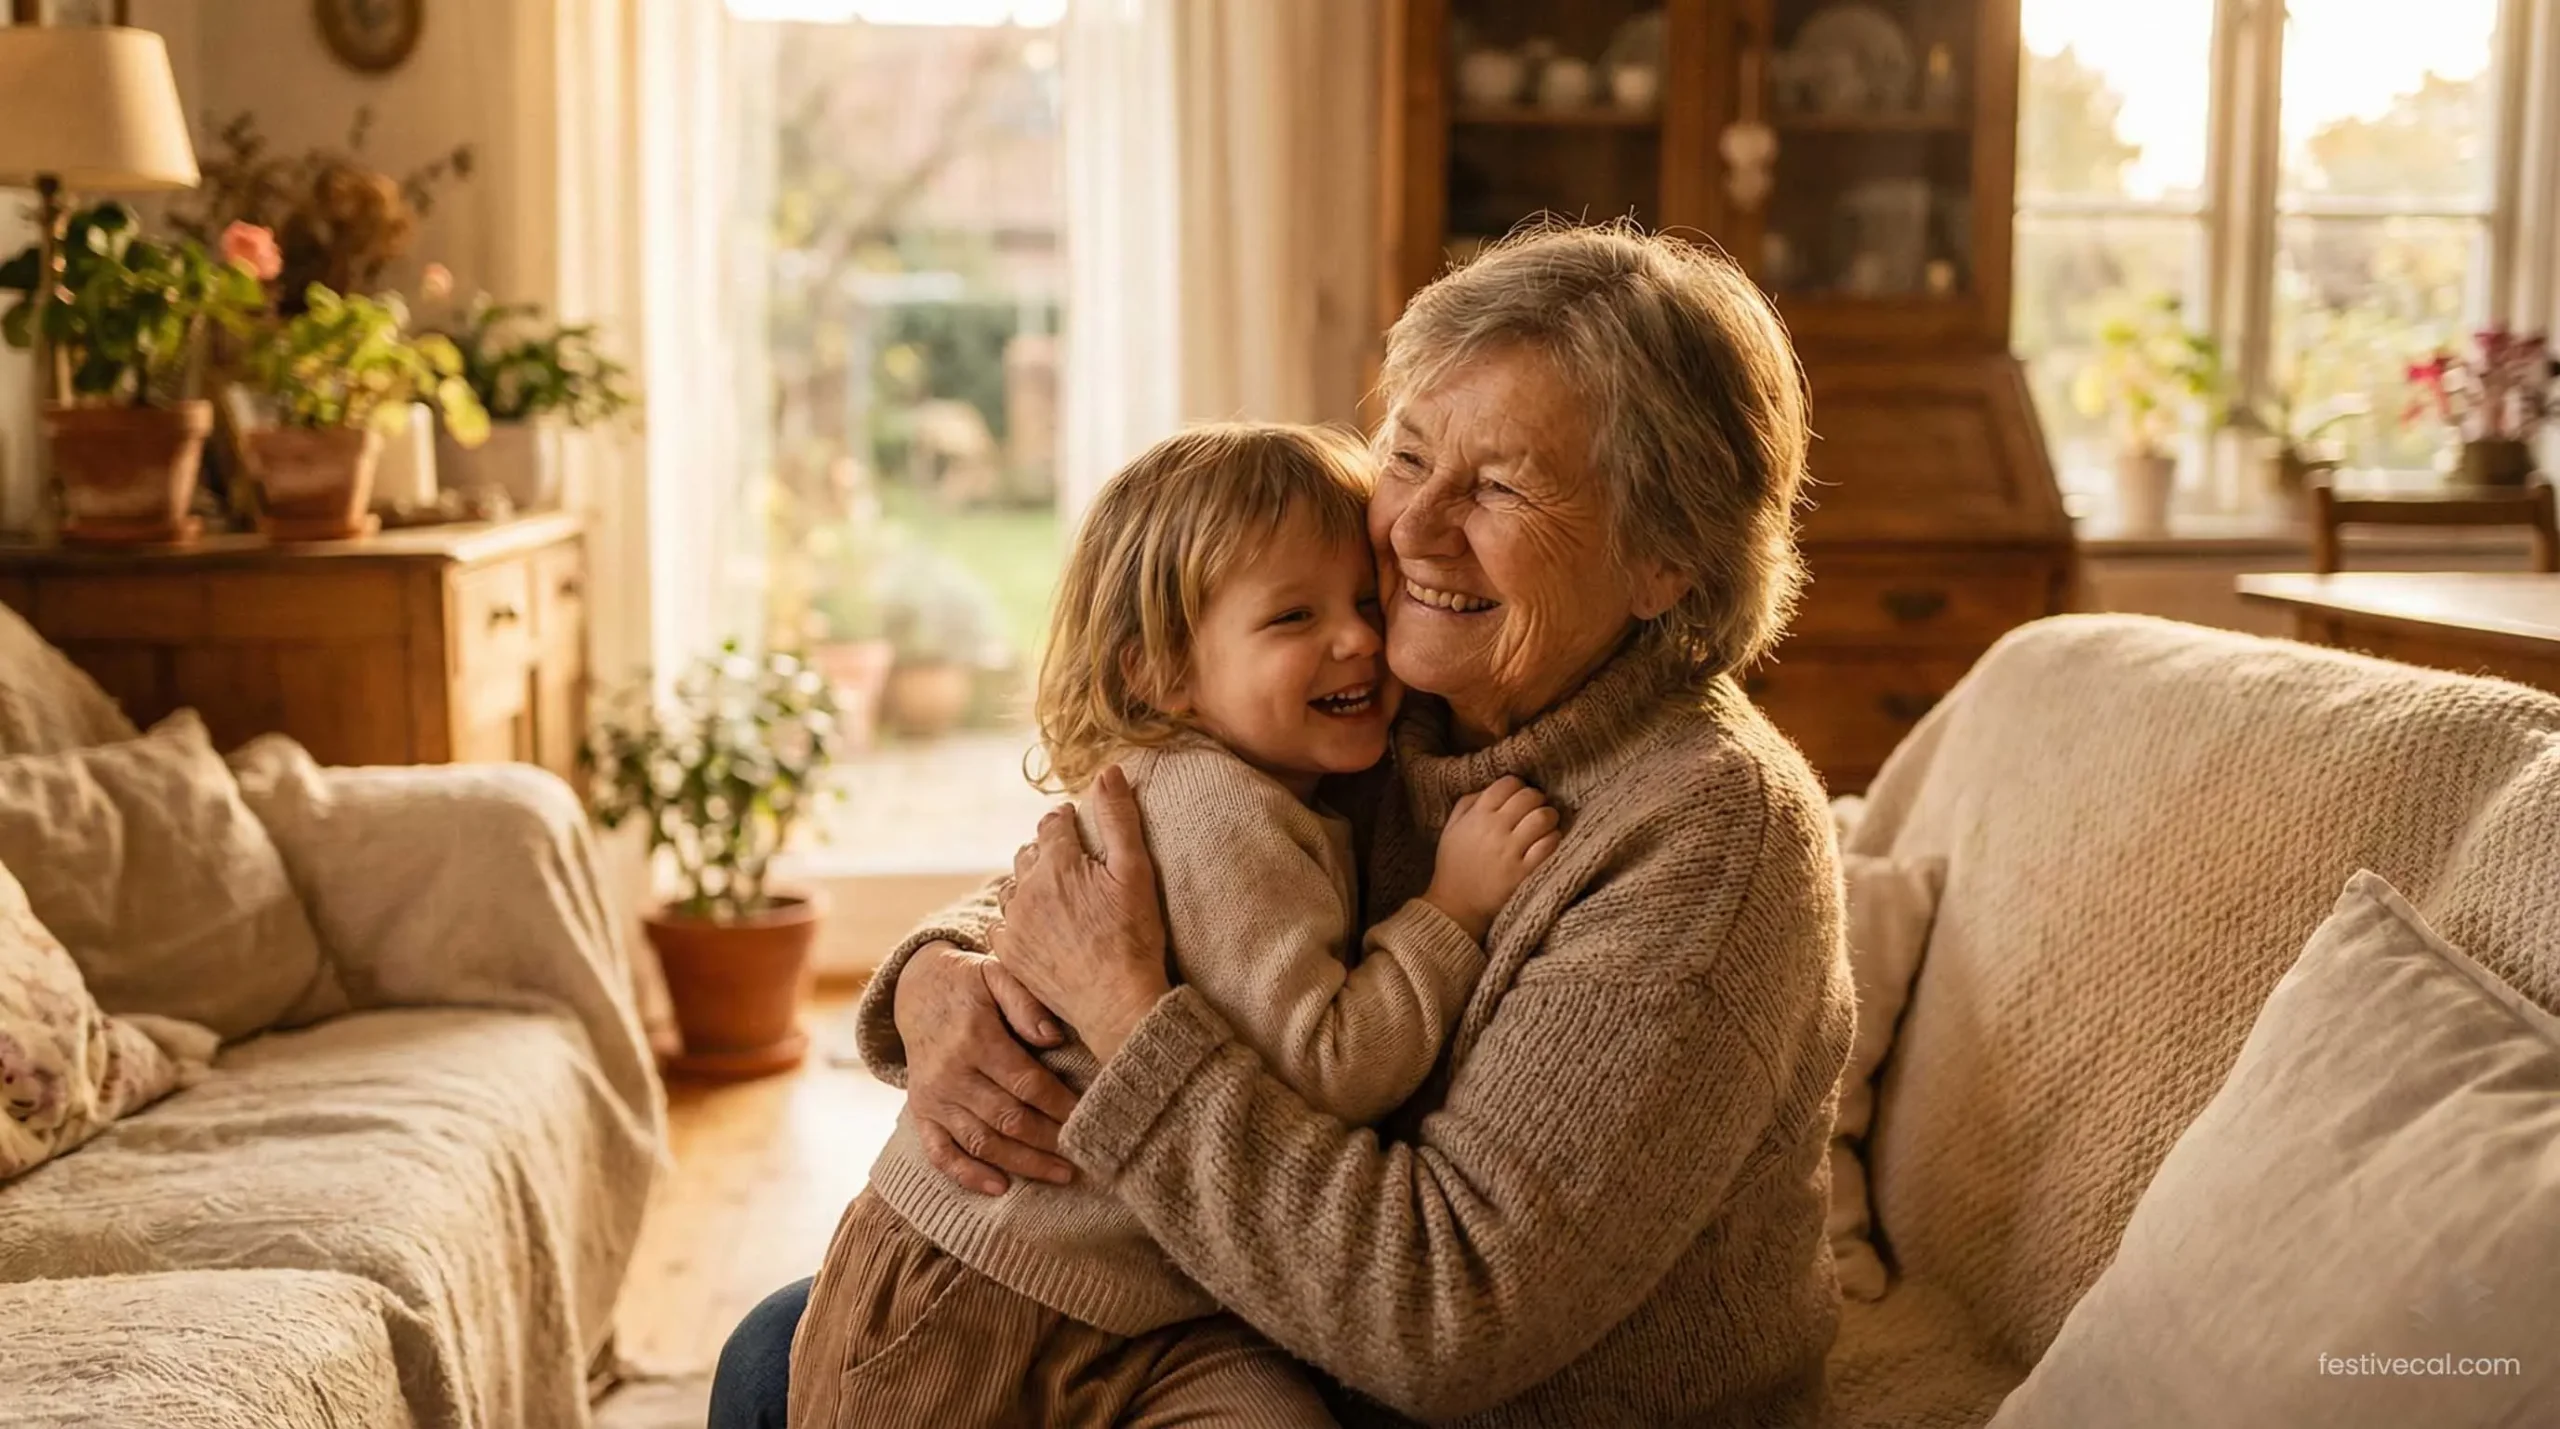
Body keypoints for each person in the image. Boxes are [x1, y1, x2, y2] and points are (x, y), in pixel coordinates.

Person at [711, 222, 1855, 1428]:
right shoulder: (1392, 695)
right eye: (1407, 454)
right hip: (1243, 1311)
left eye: (1502, 486)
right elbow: (1152, 854)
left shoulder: (1712, 837)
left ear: (1665, 561)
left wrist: (1120, 1016)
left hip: (1473, 1393)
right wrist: (937, 981)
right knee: (776, 1349)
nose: (1413, 530)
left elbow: (1442, 1317)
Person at [788, 424, 1559, 1428]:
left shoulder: (1276, 782)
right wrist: (1452, 913)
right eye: (1294, 616)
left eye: (1365, 602)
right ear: (1160, 673)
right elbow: (1326, 1065)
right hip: (980, 1292)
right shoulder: (1224, 815)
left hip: (1151, 1309)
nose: (1361, 639)